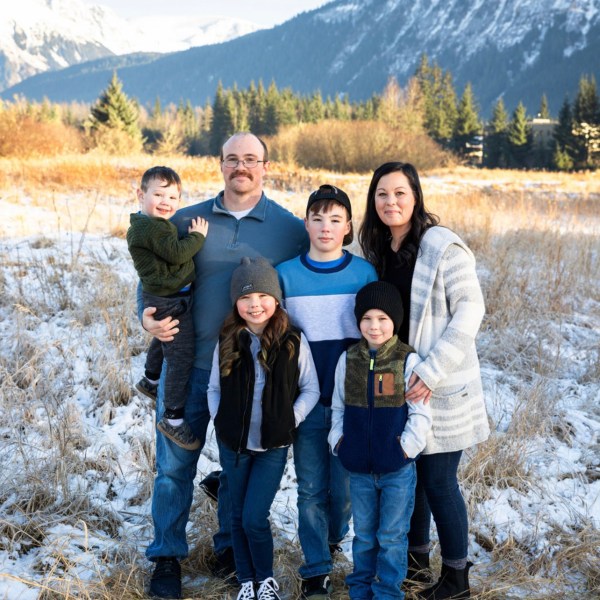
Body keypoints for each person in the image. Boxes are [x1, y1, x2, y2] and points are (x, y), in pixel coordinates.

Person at [140, 133, 308, 600]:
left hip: (249, 372)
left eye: (251, 160)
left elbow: (305, 281)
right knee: (174, 468)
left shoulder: (289, 229)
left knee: (243, 466)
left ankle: (231, 550)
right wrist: (146, 317)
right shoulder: (185, 219)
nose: (242, 167)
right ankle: (167, 559)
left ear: (266, 167)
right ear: (219, 164)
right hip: (189, 366)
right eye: (232, 159)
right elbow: (152, 276)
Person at [358, 162, 490, 600]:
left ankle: (456, 580)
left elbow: (471, 310)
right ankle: (414, 566)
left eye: (399, 193)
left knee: (437, 482)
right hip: (395, 385)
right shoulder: (378, 251)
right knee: (406, 476)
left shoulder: (442, 246)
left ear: (416, 196)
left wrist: (430, 371)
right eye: (381, 194)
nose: (390, 202)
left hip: (440, 384)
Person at [276, 184, 377, 598]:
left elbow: (376, 337)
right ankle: (315, 569)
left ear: (348, 227)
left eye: (335, 219)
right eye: (317, 218)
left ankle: (335, 537)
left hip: (351, 404)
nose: (325, 226)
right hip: (306, 401)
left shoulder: (363, 274)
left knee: (346, 490)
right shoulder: (286, 274)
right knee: (311, 489)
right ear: (306, 223)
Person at [207, 257, 320, 600]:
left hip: (272, 446)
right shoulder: (228, 340)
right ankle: (246, 582)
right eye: (245, 298)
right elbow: (213, 387)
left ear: (275, 299)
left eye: (262, 297)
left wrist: (291, 419)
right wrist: (221, 420)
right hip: (235, 445)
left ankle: (265, 580)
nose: (254, 305)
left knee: (255, 516)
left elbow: (311, 388)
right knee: (237, 517)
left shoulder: (292, 341)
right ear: (236, 304)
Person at [328, 281, 432, 599]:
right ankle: (360, 589)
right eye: (367, 318)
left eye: (382, 319)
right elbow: (338, 406)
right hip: (358, 469)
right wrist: (339, 442)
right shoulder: (349, 360)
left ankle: (387, 591)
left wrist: (405, 449)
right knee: (364, 535)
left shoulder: (407, 360)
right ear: (359, 321)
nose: (374, 326)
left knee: (391, 535)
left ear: (395, 321)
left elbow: (420, 413)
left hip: (397, 470)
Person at [128, 166, 208, 450]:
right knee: (180, 356)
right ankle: (172, 417)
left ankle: (150, 379)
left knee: (165, 341)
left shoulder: (154, 225)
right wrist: (197, 237)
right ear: (141, 194)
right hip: (167, 299)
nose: (166, 202)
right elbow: (177, 252)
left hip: (169, 297)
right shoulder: (150, 228)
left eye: (172, 197)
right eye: (158, 194)